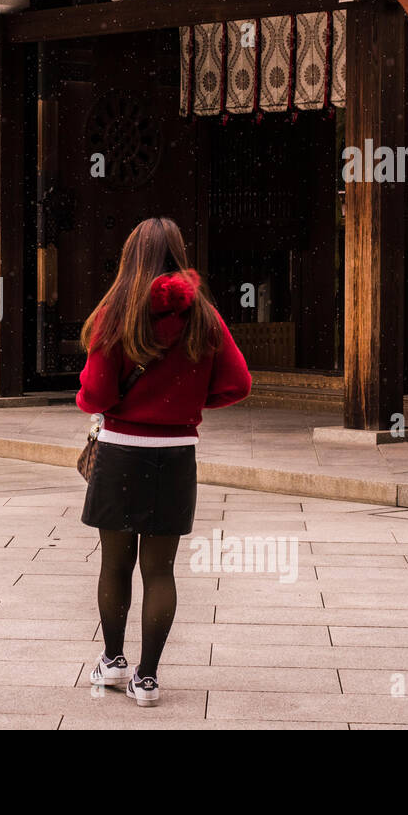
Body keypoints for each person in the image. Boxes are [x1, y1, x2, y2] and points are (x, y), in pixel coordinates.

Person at [76, 217, 251, 707]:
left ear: (131, 256)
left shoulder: (117, 313)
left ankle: (112, 663)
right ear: (179, 254)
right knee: (160, 570)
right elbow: (238, 384)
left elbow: (96, 394)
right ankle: (147, 679)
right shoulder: (205, 318)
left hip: (121, 450)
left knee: (115, 565)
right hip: (175, 455)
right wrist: (186, 405)